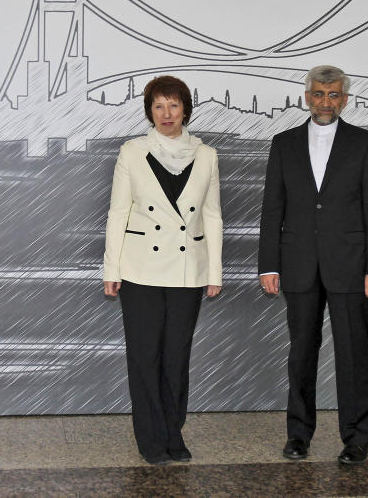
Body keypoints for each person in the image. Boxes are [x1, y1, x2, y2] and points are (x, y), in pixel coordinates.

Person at [258, 64, 368, 465]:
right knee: (301, 354)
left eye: (333, 95)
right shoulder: (284, 143)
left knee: (353, 356)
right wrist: (268, 265)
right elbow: (272, 209)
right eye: (318, 94)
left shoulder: (366, 143)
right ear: (307, 97)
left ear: (345, 100)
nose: (325, 102)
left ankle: (357, 437)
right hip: (297, 266)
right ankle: (298, 435)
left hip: (351, 267)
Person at [103, 75, 223, 465]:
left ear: (185, 109)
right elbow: (118, 212)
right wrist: (111, 267)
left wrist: (215, 271)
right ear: (148, 111)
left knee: (176, 356)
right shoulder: (132, 152)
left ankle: (174, 433)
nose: (166, 114)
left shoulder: (206, 154)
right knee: (144, 356)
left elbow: (212, 215)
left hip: (189, 269)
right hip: (140, 269)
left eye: (173, 105)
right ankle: (150, 439)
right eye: (158, 106)